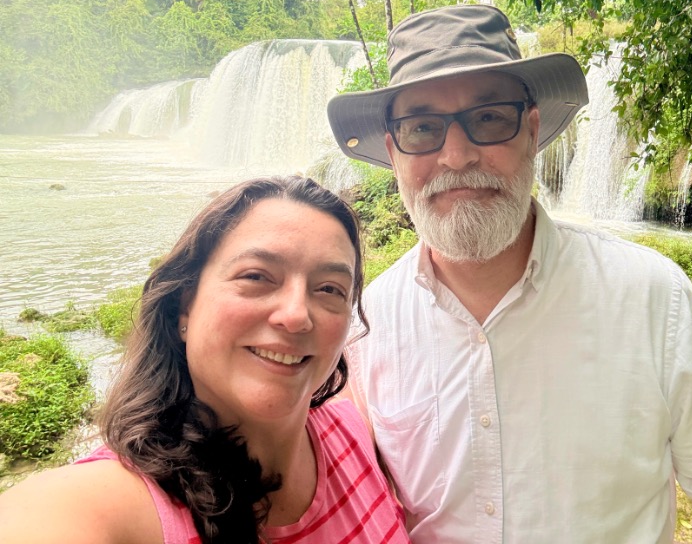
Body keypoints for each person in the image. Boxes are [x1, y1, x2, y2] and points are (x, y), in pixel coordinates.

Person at [326, 4, 692, 543]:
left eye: (490, 117)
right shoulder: (364, 326)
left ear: (533, 130)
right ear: (393, 151)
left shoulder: (653, 299)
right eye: (422, 127)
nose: (456, 156)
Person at [0, 176, 410, 544]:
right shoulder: (112, 506)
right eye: (256, 276)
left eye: (329, 289)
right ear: (185, 307)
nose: (296, 315)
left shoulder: (354, 433)